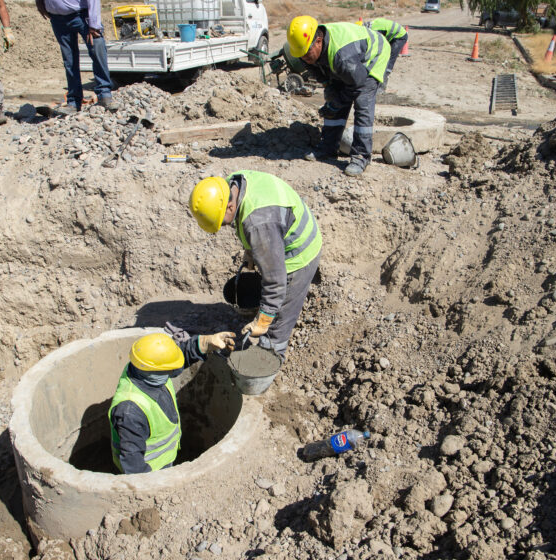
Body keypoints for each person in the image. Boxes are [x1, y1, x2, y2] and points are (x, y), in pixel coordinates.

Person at [189, 171, 322, 360]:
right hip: (282, 231)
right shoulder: (232, 184)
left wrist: (264, 319)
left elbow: (275, 282)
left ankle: (268, 362)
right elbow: (259, 220)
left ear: (229, 206)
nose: (225, 226)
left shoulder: (258, 223)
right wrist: (251, 249)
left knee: (278, 322)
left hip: (298, 255)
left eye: (223, 223)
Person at [109, 331, 235, 474]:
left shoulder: (142, 368)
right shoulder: (130, 412)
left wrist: (205, 343)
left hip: (168, 458)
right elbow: (133, 466)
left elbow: (177, 358)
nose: (174, 371)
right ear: (155, 371)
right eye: (169, 369)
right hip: (153, 470)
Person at [287, 15, 390, 177]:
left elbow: (357, 84)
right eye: (301, 55)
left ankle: (361, 156)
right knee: (333, 96)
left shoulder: (342, 57)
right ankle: (329, 146)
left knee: (362, 102)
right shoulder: (305, 50)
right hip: (350, 64)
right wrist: (330, 90)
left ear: (319, 41)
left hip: (373, 56)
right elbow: (317, 71)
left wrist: (339, 101)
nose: (304, 58)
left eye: (306, 54)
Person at [35, 0, 115, 114]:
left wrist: (94, 22)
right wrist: (39, 3)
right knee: (69, 60)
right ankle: (74, 102)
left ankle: (104, 95)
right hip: (58, 19)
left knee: (97, 51)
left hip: (82, 15)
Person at [360, 17, 407, 92]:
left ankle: (382, 88)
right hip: (393, 34)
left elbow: (377, 45)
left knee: (388, 60)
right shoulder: (372, 25)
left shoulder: (374, 31)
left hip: (400, 36)